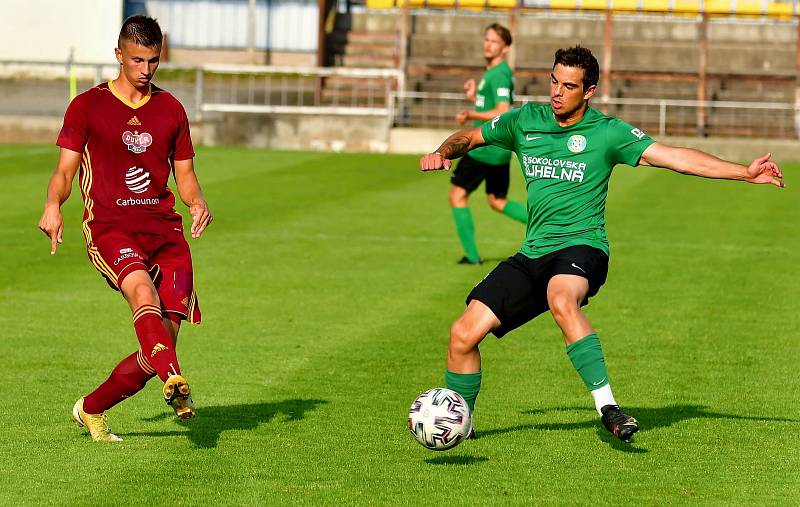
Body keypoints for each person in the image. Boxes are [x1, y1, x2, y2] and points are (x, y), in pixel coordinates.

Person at [419, 46, 783, 442]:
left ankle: (608, 408)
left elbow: (676, 157)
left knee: (561, 298)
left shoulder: (608, 132)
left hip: (583, 248)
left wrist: (743, 173)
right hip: (533, 253)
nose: (557, 92)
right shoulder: (526, 120)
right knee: (462, 334)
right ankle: (462, 422)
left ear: (589, 90)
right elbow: (469, 137)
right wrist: (442, 152)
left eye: (569, 85)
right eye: (554, 81)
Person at [37, 15, 212, 442]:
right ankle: (175, 382)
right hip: (111, 227)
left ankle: (91, 408)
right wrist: (52, 204)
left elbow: (184, 174)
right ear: (118, 55)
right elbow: (64, 171)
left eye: (153, 61)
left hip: (165, 231)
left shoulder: (171, 109)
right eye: (137, 60)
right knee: (141, 292)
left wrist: (196, 201)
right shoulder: (87, 106)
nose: (145, 70)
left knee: (158, 348)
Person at [449, 23, 527, 265]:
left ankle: (472, 256)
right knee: (497, 201)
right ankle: (550, 223)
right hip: (497, 149)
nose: (488, 44)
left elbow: (503, 111)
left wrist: (471, 115)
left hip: (486, 148)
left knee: (457, 195)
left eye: (493, 41)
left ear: (505, 47)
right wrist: (476, 95)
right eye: (486, 39)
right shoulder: (493, 72)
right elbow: (491, 104)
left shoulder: (501, 73)